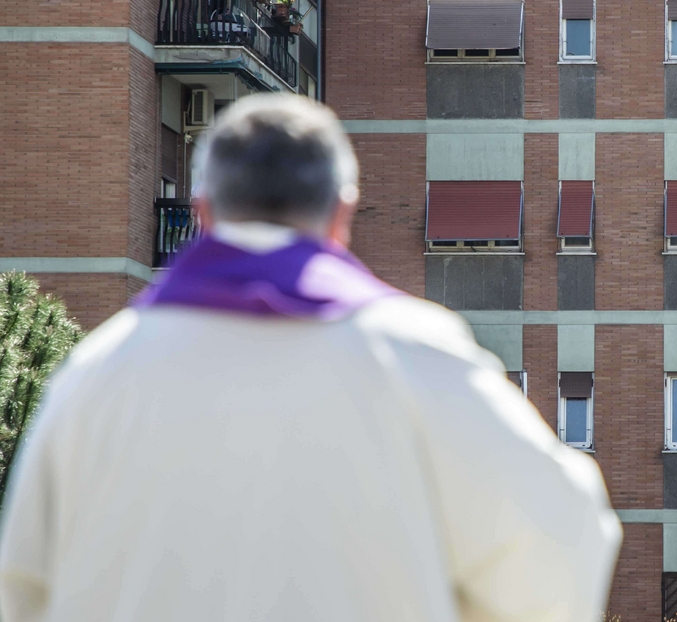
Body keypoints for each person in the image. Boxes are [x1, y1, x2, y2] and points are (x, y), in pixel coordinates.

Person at [0, 96, 622, 622]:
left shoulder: (93, 375)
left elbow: (20, 587)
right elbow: (562, 535)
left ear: (203, 212)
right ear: (342, 215)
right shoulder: (420, 356)